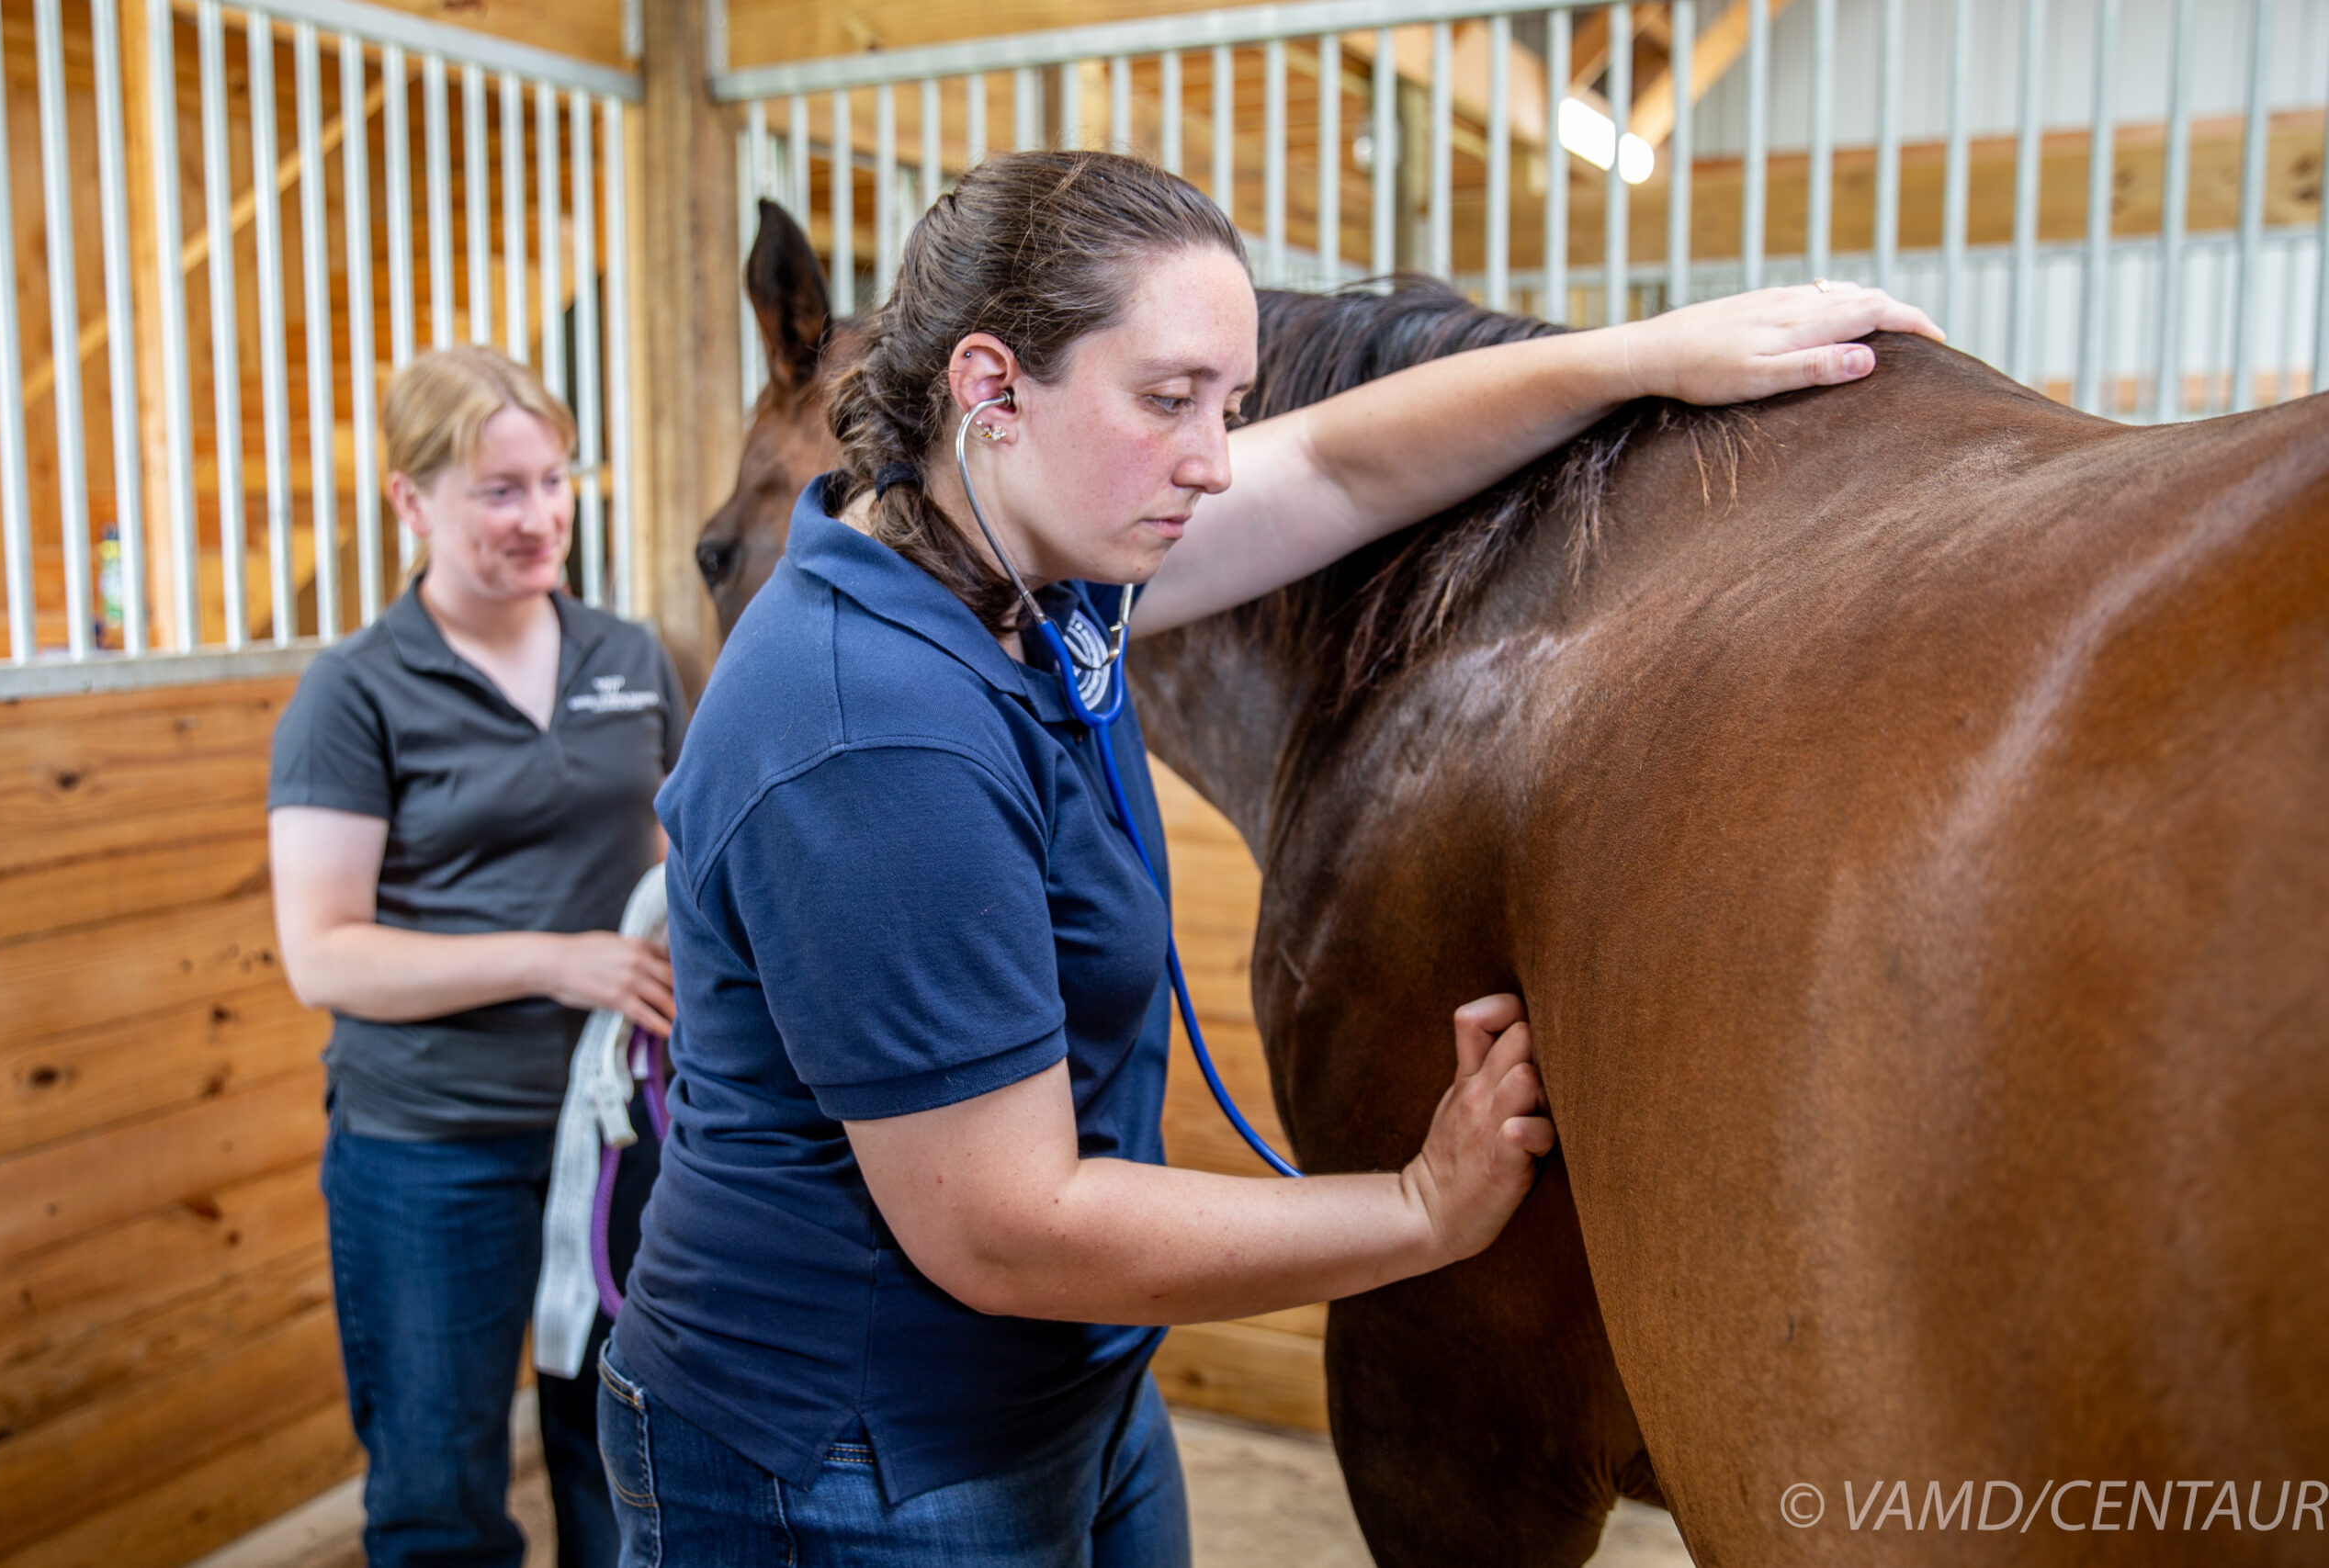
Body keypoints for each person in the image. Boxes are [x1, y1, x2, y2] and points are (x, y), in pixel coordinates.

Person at [601, 151, 1940, 1565]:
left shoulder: (1026, 569)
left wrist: (1642, 355)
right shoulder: (872, 732)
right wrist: (1420, 1212)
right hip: (850, 1463)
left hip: (1061, 1392)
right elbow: (1009, 1228)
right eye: (1170, 400)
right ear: (991, 388)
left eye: (1228, 403)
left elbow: (1346, 461)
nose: (1217, 458)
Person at [267, 345, 686, 1568]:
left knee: (619, 1464)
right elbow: (325, 958)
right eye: (499, 491)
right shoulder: (353, 694)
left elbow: (670, 878)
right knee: (438, 1491)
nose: (541, 515)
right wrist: (556, 963)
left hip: (615, 1140)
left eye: (555, 480)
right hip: (432, 1149)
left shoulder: (628, 657)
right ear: (411, 501)